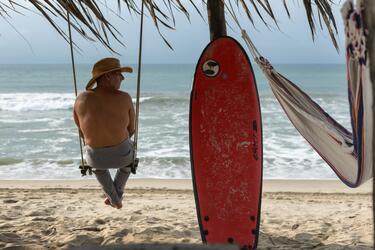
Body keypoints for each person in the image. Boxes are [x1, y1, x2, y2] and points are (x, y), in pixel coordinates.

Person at [73, 57, 135, 209]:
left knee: (99, 168)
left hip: (94, 158)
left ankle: (114, 199)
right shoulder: (124, 97)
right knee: (129, 161)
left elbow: (80, 129)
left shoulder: (81, 98)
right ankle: (116, 196)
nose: (122, 77)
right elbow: (132, 129)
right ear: (107, 76)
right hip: (122, 156)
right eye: (119, 74)